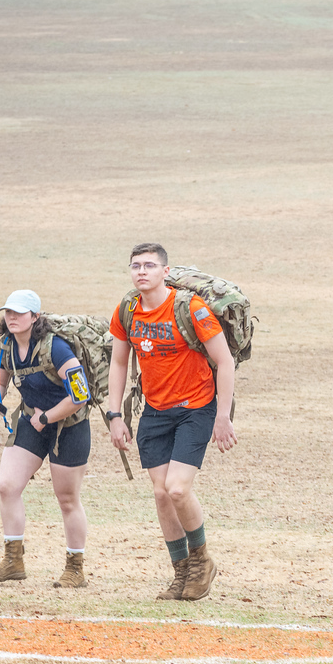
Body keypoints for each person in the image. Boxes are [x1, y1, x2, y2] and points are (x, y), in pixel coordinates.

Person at [106, 244, 237, 601]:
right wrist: (114, 414)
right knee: (162, 495)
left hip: (196, 408)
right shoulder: (127, 310)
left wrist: (222, 416)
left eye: (150, 265)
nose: (142, 272)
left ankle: (202, 561)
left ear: (165, 271)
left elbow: (224, 362)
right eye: (136, 266)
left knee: (178, 489)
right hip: (155, 411)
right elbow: (119, 364)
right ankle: (181, 574)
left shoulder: (190, 308)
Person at [0, 289, 91, 589]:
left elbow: (81, 395)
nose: (12, 317)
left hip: (69, 425)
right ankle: (13, 561)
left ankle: (75, 568)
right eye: (8, 312)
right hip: (31, 420)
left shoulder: (56, 349)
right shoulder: (4, 347)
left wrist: (46, 418)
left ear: (35, 317)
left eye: (19, 312)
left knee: (67, 499)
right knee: (7, 486)